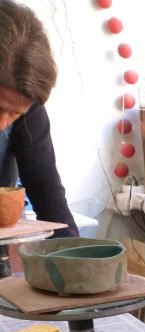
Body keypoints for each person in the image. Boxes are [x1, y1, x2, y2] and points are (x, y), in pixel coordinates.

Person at [0, 0, 77, 237]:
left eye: (14, 114)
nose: (2, 123)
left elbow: (46, 190)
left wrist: (77, 258)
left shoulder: (28, 106)